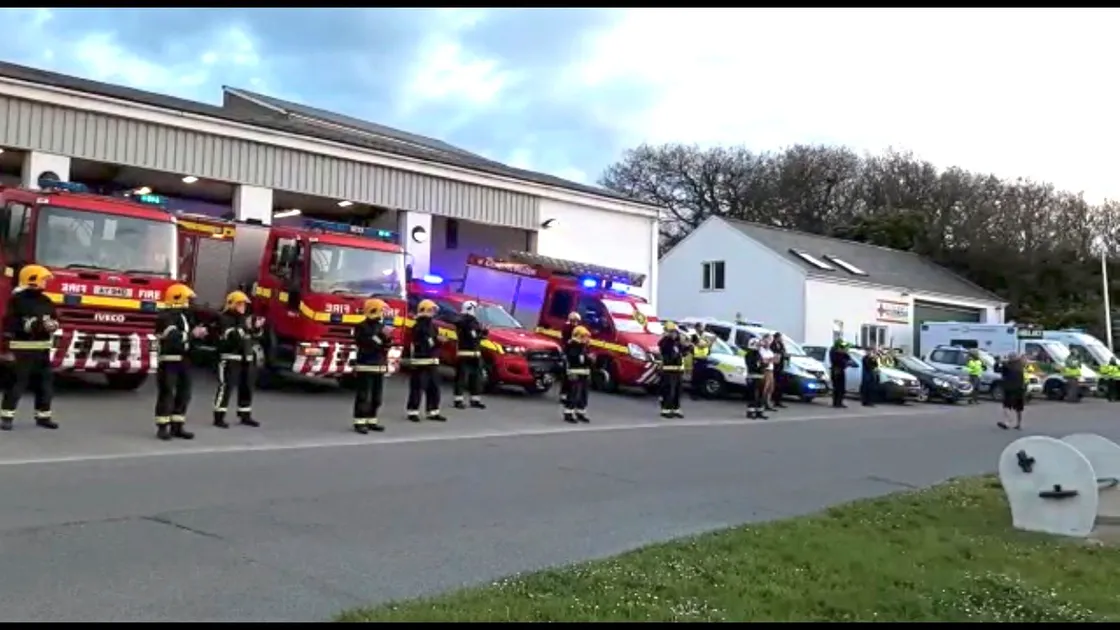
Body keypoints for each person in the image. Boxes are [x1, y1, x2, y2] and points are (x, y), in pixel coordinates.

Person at [1, 264, 59, 431]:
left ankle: (43, 416)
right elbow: (11, 323)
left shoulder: (46, 301)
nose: (45, 283)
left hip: (42, 350)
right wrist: (32, 325)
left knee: (45, 385)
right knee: (16, 384)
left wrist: (53, 325)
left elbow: (54, 318)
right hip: (22, 349)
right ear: (32, 280)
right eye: (43, 280)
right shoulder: (17, 301)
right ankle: (7, 417)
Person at [153, 283, 207, 441]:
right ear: (178, 298)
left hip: (185, 360)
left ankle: (177, 426)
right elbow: (173, 337)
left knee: (184, 394)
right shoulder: (166, 316)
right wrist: (193, 334)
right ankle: (162, 427)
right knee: (167, 394)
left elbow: (188, 337)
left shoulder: (185, 316)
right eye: (188, 299)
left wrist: (199, 336)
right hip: (169, 361)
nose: (190, 303)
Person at [212, 290, 261, 428]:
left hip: (246, 358)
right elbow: (232, 336)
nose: (243, 307)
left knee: (247, 387)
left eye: (244, 304)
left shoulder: (245, 319)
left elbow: (254, 337)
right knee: (226, 387)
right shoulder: (223, 318)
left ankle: (245, 415)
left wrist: (256, 328)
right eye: (240, 304)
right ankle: (219, 417)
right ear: (232, 304)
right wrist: (245, 327)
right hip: (229, 358)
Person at [352, 298, 393, 434]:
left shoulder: (381, 327)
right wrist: (382, 336)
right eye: (381, 310)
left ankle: (371, 420)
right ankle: (359, 422)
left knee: (377, 397)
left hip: (379, 366)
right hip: (366, 366)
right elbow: (369, 342)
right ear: (373, 310)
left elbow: (384, 345)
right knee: (363, 396)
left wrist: (387, 338)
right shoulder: (361, 327)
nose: (383, 313)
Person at [406, 299, 446, 422]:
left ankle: (433, 411)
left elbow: (432, 342)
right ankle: (413, 411)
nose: (433, 312)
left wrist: (439, 342)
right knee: (418, 388)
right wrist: (438, 340)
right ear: (424, 310)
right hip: (420, 361)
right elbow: (425, 343)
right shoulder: (418, 326)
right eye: (431, 310)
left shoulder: (433, 326)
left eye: (434, 310)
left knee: (434, 388)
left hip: (432, 361)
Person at [453, 300, 488, 410]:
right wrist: (482, 333)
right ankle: (460, 400)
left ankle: (473, 399)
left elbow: (476, 336)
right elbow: (473, 336)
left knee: (474, 378)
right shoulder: (468, 322)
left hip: (472, 353)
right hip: (467, 353)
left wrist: (482, 333)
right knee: (463, 378)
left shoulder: (466, 321)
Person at [563, 325, 593, 423]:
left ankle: (581, 412)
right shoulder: (573, 346)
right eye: (584, 336)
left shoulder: (583, 346)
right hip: (575, 374)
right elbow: (577, 360)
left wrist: (589, 359)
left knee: (583, 395)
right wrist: (588, 359)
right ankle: (568, 413)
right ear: (578, 336)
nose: (587, 338)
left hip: (584, 374)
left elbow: (586, 360)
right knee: (573, 394)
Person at [657, 321, 686, 419]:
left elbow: (683, 352)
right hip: (668, 371)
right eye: (672, 332)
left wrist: (687, 346)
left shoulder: (677, 344)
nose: (674, 334)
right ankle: (666, 410)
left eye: (675, 332)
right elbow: (662, 347)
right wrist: (667, 337)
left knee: (678, 391)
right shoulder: (666, 343)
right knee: (668, 391)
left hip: (678, 371)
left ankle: (676, 409)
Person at [996, 352, 1027, 430]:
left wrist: (997, 362)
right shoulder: (1020, 365)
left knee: (1007, 406)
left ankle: (1007, 423)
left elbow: (997, 370)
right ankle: (1019, 424)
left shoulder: (1007, 365)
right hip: (1020, 388)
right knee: (1019, 407)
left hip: (1009, 388)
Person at [559, 311, 581, 408]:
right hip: (568, 353)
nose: (575, 323)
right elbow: (566, 341)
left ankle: (568, 394)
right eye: (574, 321)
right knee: (567, 375)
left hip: (574, 354)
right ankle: (564, 394)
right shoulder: (567, 328)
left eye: (577, 321)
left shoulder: (577, 329)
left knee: (572, 375)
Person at [743, 337, 767, 419]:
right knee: (752, 395)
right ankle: (750, 412)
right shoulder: (749, 354)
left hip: (760, 377)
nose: (759, 346)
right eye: (758, 344)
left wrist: (764, 364)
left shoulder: (758, 354)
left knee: (760, 395)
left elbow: (761, 364)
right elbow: (753, 366)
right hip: (752, 377)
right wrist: (762, 365)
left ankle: (759, 412)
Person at [689, 323, 710, 399]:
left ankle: (701, 393)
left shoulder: (705, 336)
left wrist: (707, 345)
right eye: (700, 327)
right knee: (696, 377)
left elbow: (708, 345)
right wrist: (706, 344)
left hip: (704, 359)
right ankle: (694, 394)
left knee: (703, 377)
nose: (702, 329)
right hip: (697, 359)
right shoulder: (694, 336)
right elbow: (699, 345)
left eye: (702, 327)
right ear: (696, 328)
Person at [827, 339, 850, 408]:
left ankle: (839, 402)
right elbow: (835, 360)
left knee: (842, 388)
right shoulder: (833, 350)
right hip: (836, 370)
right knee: (837, 387)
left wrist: (844, 353)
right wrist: (842, 357)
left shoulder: (841, 350)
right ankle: (836, 403)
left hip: (841, 370)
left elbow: (847, 357)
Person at [759, 334, 777, 411]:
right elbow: (763, 360)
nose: (769, 342)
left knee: (771, 388)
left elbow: (774, 361)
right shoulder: (760, 350)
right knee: (764, 388)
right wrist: (771, 359)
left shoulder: (770, 351)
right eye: (768, 340)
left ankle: (767, 403)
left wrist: (774, 359)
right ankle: (761, 404)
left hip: (771, 370)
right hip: (765, 370)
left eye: (770, 341)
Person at [770, 332, 788, 409]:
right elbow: (773, 353)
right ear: (776, 337)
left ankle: (778, 400)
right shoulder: (772, 345)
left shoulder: (781, 344)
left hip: (781, 366)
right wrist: (780, 353)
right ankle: (773, 400)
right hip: (774, 367)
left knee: (780, 384)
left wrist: (785, 355)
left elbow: (783, 352)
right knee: (774, 384)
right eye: (780, 337)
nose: (781, 339)